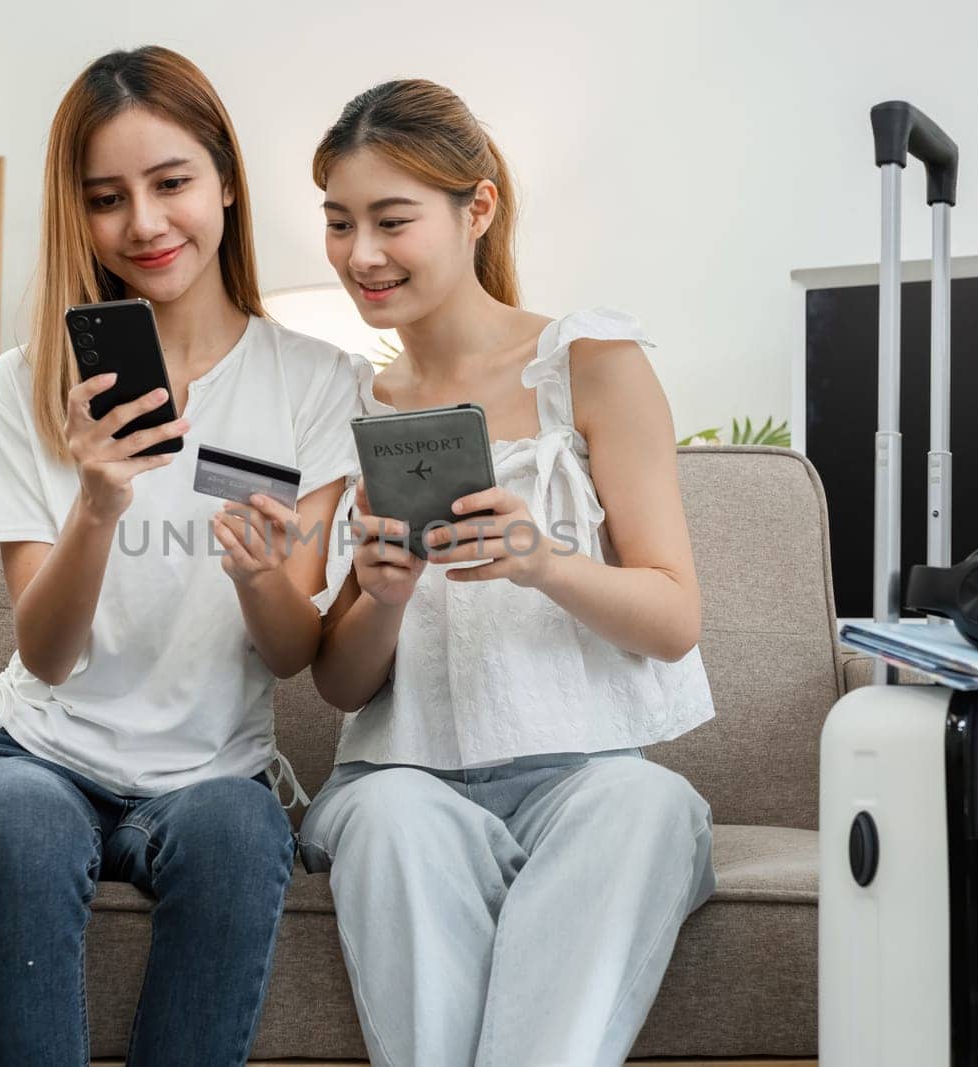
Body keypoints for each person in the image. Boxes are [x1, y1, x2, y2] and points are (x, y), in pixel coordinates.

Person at [0, 46, 359, 1067]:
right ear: (79, 214)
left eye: (171, 184)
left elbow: (295, 655)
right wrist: (100, 504)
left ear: (226, 182)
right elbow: (48, 657)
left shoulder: (316, 383)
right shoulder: (27, 383)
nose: (146, 224)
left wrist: (258, 575)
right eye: (108, 198)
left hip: (213, 774)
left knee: (243, 841)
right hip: (31, 756)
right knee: (21, 824)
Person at [297, 78, 719, 1066]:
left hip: (584, 774)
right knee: (394, 820)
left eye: (391, 219)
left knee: (649, 804)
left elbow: (672, 617)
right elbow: (336, 681)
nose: (361, 254)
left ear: (475, 208)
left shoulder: (590, 360)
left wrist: (541, 560)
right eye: (338, 222)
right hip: (396, 775)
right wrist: (384, 596)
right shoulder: (346, 399)